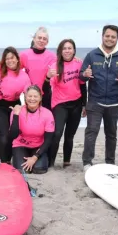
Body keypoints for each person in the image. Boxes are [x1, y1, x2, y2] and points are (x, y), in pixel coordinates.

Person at [79, 24, 118, 171]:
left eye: (113, 37)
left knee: (111, 135)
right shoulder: (92, 55)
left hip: (114, 103)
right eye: (107, 36)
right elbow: (81, 76)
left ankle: (110, 162)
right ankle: (87, 162)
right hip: (95, 102)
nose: (110, 39)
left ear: (117, 39)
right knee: (91, 132)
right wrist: (85, 75)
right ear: (102, 36)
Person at [0, 47, 31, 164]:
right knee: (4, 133)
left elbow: (29, 96)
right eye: (7, 58)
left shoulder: (24, 76)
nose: (10, 61)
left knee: (13, 134)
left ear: (17, 59)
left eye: (12, 58)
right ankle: (5, 162)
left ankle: (10, 159)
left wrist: (28, 110)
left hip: (14, 105)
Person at [42, 39, 87, 168]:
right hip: (59, 104)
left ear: (74, 50)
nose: (67, 51)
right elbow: (46, 89)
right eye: (64, 48)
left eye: (70, 48)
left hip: (76, 104)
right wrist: (48, 77)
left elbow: (83, 86)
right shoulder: (55, 66)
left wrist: (85, 104)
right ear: (60, 51)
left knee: (70, 135)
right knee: (57, 134)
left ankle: (66, 161)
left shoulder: (79, 63)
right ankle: (51, 163)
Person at [9, 85, 55, 174]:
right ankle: (19, 157)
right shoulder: (17, 111)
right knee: (23, 171)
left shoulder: (47, 114)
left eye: (35, 96)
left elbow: (48, 140)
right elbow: (13, 135)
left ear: (40, 98)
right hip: (20, 144)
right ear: (25, 97)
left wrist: (34, 157)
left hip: (38, 146)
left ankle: (36, 158)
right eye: (29, 96)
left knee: (39, 170)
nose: (32, 99)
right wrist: (16, 115)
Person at [20, 27, 56, 110]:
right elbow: (13, 66)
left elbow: (64, 62)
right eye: (39, 38)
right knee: (30, 120)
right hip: (30, 95)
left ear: (47, 42)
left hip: (46, 93)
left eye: (44, 39)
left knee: (45, 120)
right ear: (34, 38)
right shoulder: (24, 54)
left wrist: (74, 58)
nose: (41, 40)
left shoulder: (52, 56)